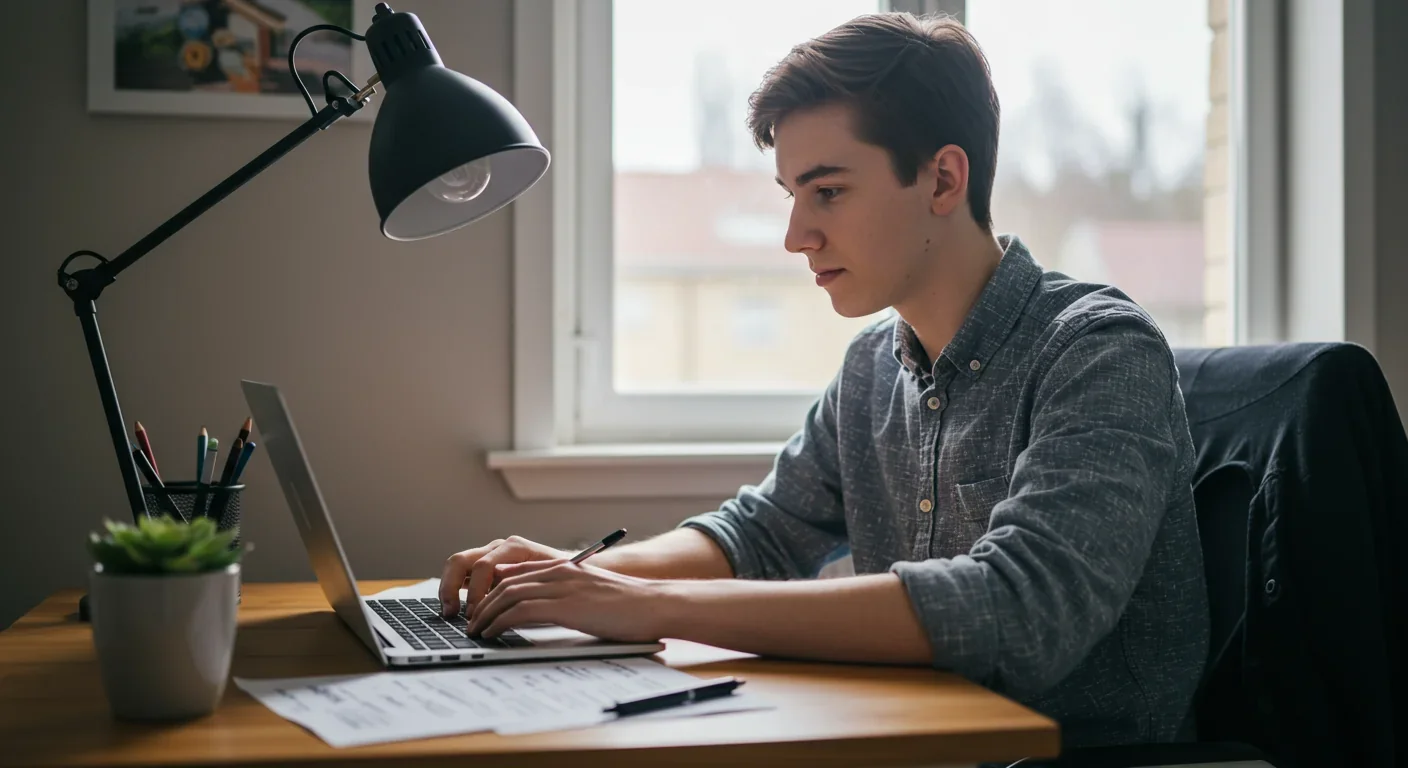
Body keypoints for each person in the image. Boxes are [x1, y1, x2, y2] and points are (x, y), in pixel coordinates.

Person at [442, 11, 1209, 750]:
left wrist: (643, 606)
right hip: (908, 744)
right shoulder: (874, 367)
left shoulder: (1100, 352)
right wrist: (564, 578)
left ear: (943, 179)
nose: (794, 235)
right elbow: (760, 532)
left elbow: (1013, 610)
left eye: (829, 192)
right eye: (791, 196)